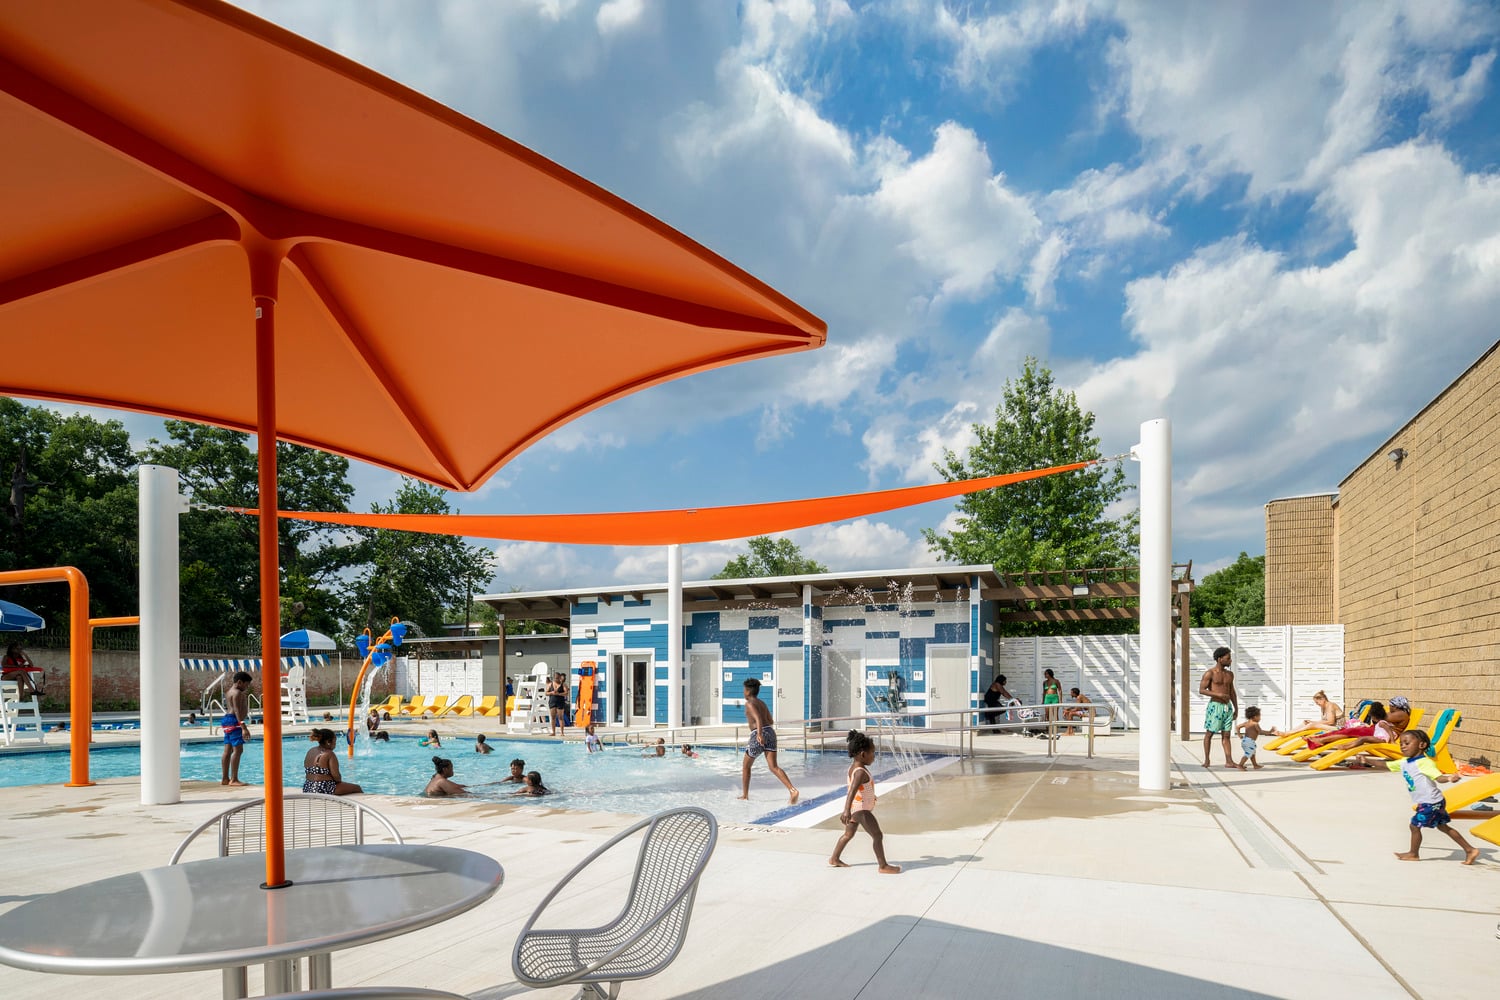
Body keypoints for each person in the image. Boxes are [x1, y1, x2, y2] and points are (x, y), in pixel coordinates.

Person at [1389, 729, 1480, 864]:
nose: (1402, 746)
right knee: (1443, 827)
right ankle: (1470, 850)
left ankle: (1413, 854)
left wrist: (1449, 778)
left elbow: (1438, 777)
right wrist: (1365, 760)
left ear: (1422, 745)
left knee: (1414, 826)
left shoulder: (1425, 763)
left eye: (1407, 743)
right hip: (1431, 801)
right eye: (1401, 743)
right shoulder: (1405, 762)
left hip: (1430, 802)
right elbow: (1386, 765)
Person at [828, 729, 900, 874]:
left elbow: (859, 790)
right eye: (872, 753)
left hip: (856, 808)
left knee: (849, 834)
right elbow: (852, 791)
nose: (874, 756)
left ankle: (834, 858)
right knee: (877, 835)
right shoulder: (860, 772)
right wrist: (846, 810)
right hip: (860, 810)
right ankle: (883, 866)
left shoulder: (855, 768)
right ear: (863, 754)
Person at [737, 678, 799, 804]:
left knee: (746, 767)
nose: (743, 692)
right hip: (770, 732)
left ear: (748, 691)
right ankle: (792, 790)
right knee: (774, 767)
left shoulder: (749, 703)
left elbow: (758, 718)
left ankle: (745, 795)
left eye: (744, 690)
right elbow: (770, 721)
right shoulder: (762, 703)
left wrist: (759, 734)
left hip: (758, 734)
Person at [1200, 647, 1238, 768]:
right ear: (1220, 659)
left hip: (1227, 707)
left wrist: (1236, 708)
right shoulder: (1210, 673)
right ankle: (1207, 760)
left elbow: (1232, 692)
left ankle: (1229, 761)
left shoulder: (1229, 674)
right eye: (1228, 658)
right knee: (1209, 734)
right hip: (1215, 707)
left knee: (1226, 734)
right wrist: (1218, 694)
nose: (1230, 661)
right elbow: (1201, 690)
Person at [302, 728, 362, 795]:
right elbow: (337, 777)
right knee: (357, 788)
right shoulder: (329, 754)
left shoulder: (311, 750)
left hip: (308, 787)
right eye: (335, 741)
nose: (335, 744)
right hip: (322, 788)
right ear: (328, 742)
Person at [220, 670, 253, 787]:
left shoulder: (229, 692)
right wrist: (243, 726)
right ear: (240, 682)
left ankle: (225, 778)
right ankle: (234, 779)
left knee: (227, 750)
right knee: (238, 750)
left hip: (227, 720)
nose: (247, 687)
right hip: (235, 721)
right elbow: (237, 710)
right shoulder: (238, 693)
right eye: (246, 684)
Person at [547, 672, 568, 736]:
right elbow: (546, 693)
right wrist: (551, 693)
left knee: (560, 717)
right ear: (554, 678)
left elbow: (566, 693)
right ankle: (553, 732)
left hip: (560, 702)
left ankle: (562, 732)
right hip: (552, 702)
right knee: (553, 717)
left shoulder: (563, 684)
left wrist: (559, 694)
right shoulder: (550, 684)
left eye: (558, 678)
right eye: (556, 678)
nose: (557, 679)